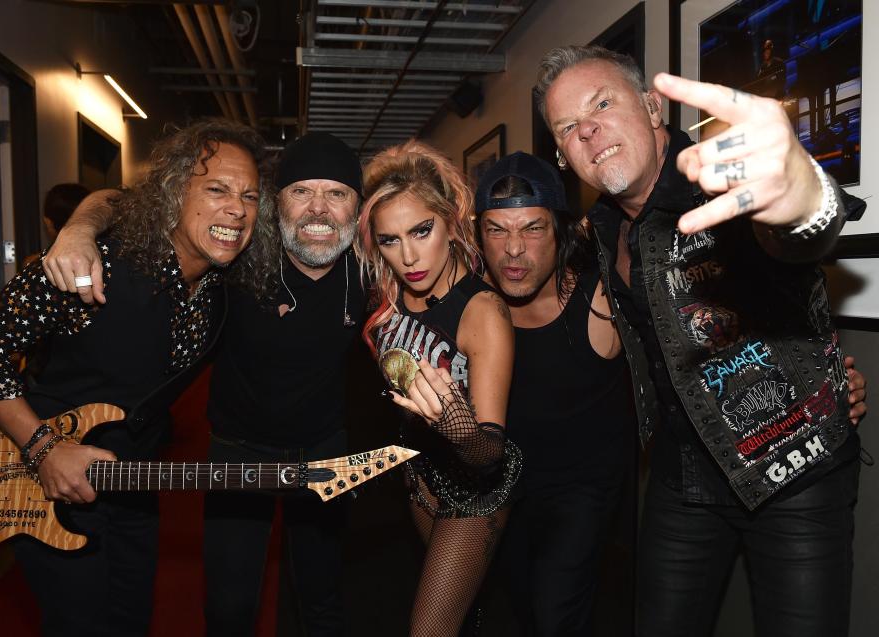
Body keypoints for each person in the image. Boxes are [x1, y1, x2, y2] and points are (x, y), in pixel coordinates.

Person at [536, 45, 866, 636]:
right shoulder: (603, 227)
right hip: (679, 479)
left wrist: (803, 197)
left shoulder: (719, 184)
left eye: (602, 104)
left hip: (794, 471)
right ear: (563, 156)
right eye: (567, 127)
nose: (587, 130)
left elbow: (801, 228)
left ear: (652, 105)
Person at [0, 118, 270, 637]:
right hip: (44, 484)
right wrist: (44, 448)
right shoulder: (97, 265)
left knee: (131, 622)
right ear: (172, 194)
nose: (237, 208)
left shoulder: (219, 294)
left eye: (250, 196)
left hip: (132, 490)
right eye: (216, 189)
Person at [42, 131, 368, 636]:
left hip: (325, 450)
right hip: (238, 451)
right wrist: (77, 230)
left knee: (322, 600)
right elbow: (123, 200)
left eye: (338, 193)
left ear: (356, 208)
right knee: (229, 609)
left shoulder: (372, 272)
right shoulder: (237, 258)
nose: (319, 210)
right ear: (276, 202)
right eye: (302, 191)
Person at [355, 140, 520, 636]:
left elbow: (490, 450)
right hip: (418, 480)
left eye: (421, 231)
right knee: (462, 616)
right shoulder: (387, 296)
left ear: (451, 221)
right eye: (389, 240)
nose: (408, 256)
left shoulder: (482, 312)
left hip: (476, 492)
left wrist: (456, 426)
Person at [474, 151, 631, 636]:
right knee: (519, 605)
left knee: (554, 613)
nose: (513, 250)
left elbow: (694, 343)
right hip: (507, 489)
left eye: (533, 228)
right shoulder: (471, 307)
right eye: (496, 229)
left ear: (559, 231)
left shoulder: (600, 302)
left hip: (584, 492)